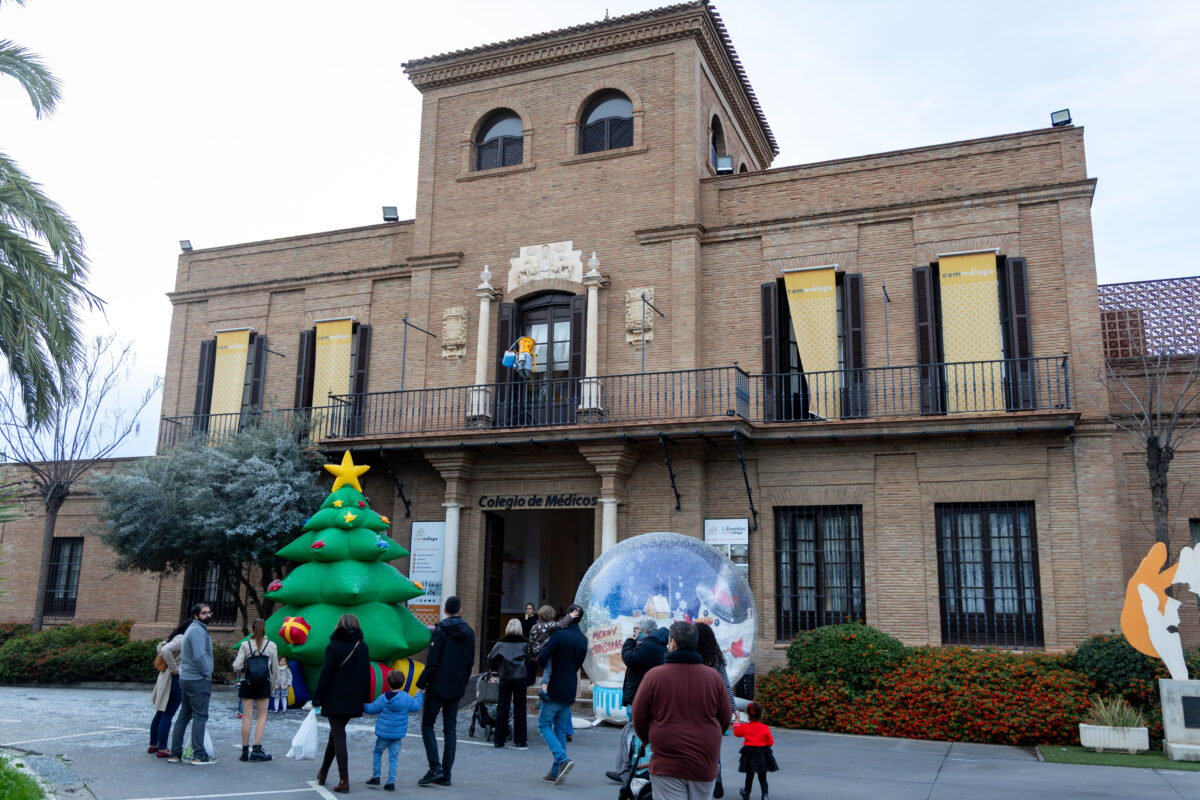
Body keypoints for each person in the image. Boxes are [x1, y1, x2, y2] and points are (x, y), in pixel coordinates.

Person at [633, 621, 733, 800]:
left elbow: (639, 717)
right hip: (704, 758)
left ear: (672, 643)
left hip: (667, 758)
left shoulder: (655, 676)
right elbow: (725, 717)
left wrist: (651, 738)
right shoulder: (713, 677)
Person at [416, 596, 475, 788]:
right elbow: (470, 662)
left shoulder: (440, 631)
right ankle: (446, 774)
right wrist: (464, 680)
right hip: (457, 685)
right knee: (450, 729)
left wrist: (421, 683)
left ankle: (435, 767)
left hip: (437, 685)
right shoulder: (469, 632)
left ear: (445, 610)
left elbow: (432, 662)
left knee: (427, 725)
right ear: (460, 610)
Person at [313, 613, 371, 794]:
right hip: (354, 699)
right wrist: (365, 698)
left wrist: (317, 698)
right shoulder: (362, 646)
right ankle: (323, 772)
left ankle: (344, 779)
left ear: (339, 626)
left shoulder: (334, 646)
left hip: (335, 698)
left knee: (338, 736)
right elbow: (366, 674)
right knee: (335, 734)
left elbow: (326, 674)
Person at [606, 617, 668, 784]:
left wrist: (628, 642)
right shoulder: (658, 646)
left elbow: (630, 659)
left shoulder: (649, 646)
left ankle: (633, 770)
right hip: (645, 696)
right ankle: (635, 769)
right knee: (639, 735)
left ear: (645, 631)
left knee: (634, 734)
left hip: (639, 697)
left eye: (637, 629)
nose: (635, 632)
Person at [536, 603, 586, 786]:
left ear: (567, 615)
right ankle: (556, 771)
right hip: (570, 686)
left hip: (554, 686)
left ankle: (562, 759)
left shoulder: (559, 634)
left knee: (543, 725)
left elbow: (542, 658)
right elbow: (578, 664)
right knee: (561, 730)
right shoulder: (583, 639)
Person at [168, 603, 217, 765]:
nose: (208, 615)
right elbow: (199, 655)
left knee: (184, 715)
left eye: (209, 612)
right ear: (196, 616)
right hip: (197, 679)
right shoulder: (197, 630)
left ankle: (175, 754)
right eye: (204, 613)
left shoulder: (194, 629)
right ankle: (199, 755)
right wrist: (207, 673)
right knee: (199, 716)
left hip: (187, 678)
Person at [363, 670, 424, 791]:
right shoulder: (406, 698)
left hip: (383, 735)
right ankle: (390, 782)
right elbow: (417, 706)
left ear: (387, 682)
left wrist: (361, 704)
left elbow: (371, 709)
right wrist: (419, 694)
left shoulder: (383, 698)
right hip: (397, 735)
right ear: (403, 683)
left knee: (377, 752)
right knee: (393, 757)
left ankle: (376, 776)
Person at [232, 618, 281, 762]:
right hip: (263, 684)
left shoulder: (245, 645)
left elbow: (236, 665)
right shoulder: (271, 645)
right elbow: (275, 669)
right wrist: (272, 686)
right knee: (262, 716)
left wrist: (241, 671)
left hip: (247, 682)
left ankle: (244, 751)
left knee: (247, 717)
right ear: (265, 629)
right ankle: (257, 749)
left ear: (252, 630)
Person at [697, 622, 736, 798]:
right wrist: (733, 707)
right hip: (712, 706)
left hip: (695, 705)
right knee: (713, 744)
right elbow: (725, 683)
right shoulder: (715, 657)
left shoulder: (692, 656)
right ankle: (716, 775)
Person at [149, 621, 189, 758]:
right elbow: (165, 650)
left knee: (160, 712)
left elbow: (161, 647)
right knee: (168, 713)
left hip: (165, 678)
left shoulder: (173, 638)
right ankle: (163, 748)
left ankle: (153, 744)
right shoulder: (182, 639)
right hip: (173, 679)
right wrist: (174, 668)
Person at [487, 618, 529, 748]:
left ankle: (499, 739)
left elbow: (490, 658)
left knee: (502, 707)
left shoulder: (500, 643)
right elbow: (529, 658)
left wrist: (498, 667)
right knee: (520, 708)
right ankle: (520, 740)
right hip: (520, 677)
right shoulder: (525, 643)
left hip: (505, 676)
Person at [733, 702, 777, 800]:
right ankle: (765, 795)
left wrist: (737, 721)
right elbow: (771, 742)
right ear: (761, 715)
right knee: (762, 776)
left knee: (749, 775)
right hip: (762, 754)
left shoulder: (745, 727)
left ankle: (746, 792)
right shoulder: (765, 728)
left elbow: (736, 733)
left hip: (749, 754)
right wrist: (764, 747)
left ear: (748, 715)